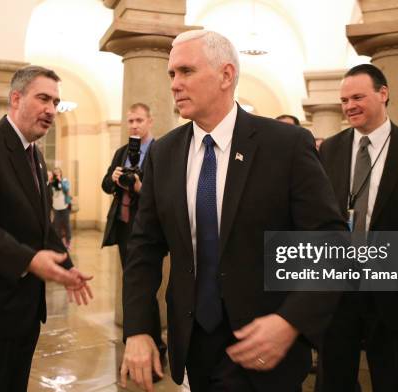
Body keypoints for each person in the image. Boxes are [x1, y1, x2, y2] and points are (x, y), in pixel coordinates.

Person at [119, 30, 347, 392]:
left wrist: (290, 322)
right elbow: (144, 249)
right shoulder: (165, 153)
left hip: (266, 343)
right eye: (171, 75)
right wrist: (139, 329)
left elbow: (332, 244)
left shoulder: (284, 145)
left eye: (186, 71)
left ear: (226, 75)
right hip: (193, 340)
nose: (175, 84)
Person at [0, 65, 93, 391]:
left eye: (55, 101)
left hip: (21, 314)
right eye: (43, 99)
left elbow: (41, 225)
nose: (51, 110)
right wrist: (29, 260)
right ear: (15, 98)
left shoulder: (34, 155)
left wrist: (67, 266)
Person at [318, 64, 398, 392]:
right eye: (344, 100)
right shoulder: (329, 149)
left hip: (394, 289)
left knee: (395, 377)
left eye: (358, 96)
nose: (349, 106)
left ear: (383, 94)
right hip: (338, 290)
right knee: (334, 378)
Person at [101, 102, 166, 372]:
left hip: (148, 229)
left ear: (150, 121)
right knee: (132, 283)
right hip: (124, 226)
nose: (135, 125)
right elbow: (105, 185)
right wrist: (115, 178)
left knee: (143, 285)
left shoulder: (160, 151)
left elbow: (163, 195)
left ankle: (151, 342)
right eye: (130, 121)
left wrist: (141, 188)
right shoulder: (122, 152)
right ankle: (138, 339)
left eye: (139, 120)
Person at [50, 167, 72, 248]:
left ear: (61, 173)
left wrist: (60, 181)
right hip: (56, 207)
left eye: (58, 172)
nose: (56, 174)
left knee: (67, 225)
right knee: (57, 225)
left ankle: (68, 241)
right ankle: (59, 243)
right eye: (55, 173)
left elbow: (66, 189)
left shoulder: (65, 180)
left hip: (65, 206)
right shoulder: (51, 183)